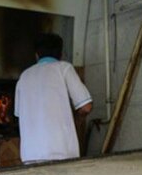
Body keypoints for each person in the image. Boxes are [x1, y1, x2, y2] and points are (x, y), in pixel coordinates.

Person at [14, 33, 92, 164]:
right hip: (61, 153)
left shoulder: (24, 76)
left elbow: (19, 115)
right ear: (61, 54)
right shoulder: (64, 68)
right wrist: (77, 118)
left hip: (30, 156)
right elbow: (86, 106)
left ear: (37, 54)